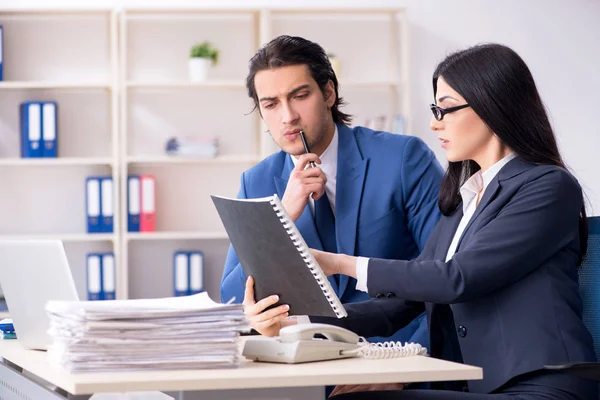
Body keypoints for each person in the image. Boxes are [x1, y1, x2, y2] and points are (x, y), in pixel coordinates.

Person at [245, 43, 598, 400]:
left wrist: (339, 264)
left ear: (492, 106)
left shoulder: (547, 187)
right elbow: (403, 305)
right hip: (477, 384)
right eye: (434, 110)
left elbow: (457, 279)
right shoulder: (467, 199)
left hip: (539, 386)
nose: (434, 123)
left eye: (445, 110)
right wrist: (295, 323)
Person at [220, 35, 444, 347]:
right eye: (270, 104)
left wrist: (405, 363)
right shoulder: (255, 181)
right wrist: (281, 215)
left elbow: (443, 275)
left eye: (299, 96)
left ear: (328, 92)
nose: (287, 117)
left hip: (402, 354)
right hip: (314, 366)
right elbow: (231, 297)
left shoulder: (404, 158)